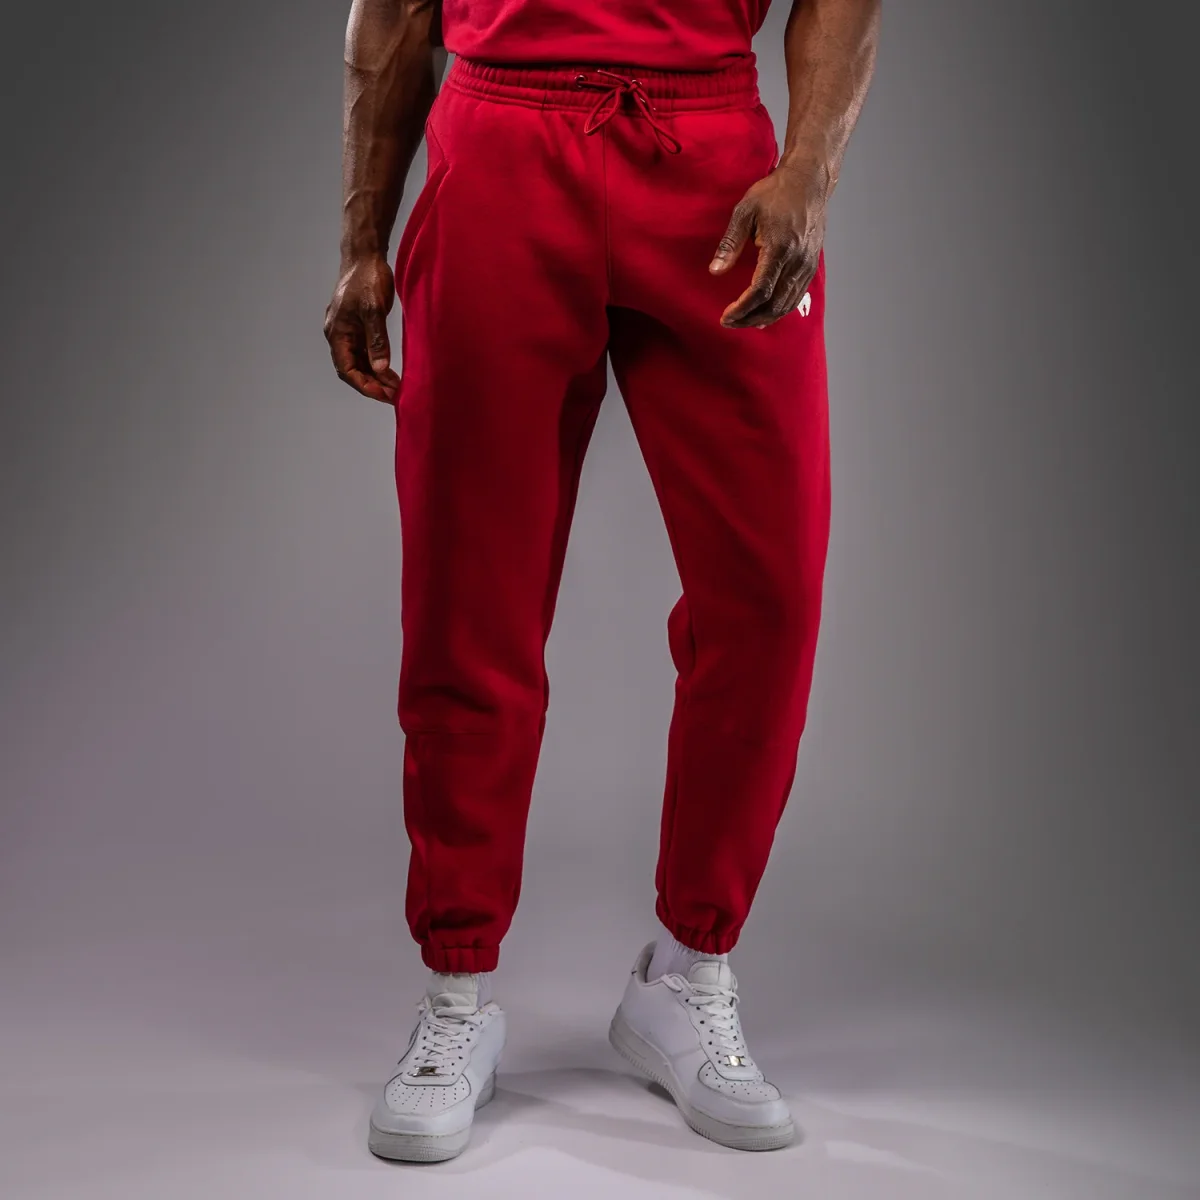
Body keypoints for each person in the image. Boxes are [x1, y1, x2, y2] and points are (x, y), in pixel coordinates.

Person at [324, 0, 880, 1161]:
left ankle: (687, 973)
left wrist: (811, 168)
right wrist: (360, 239)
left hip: (714, 160)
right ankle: (455, 992)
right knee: (468, 597)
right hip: (498, 145)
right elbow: (396, 9)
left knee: (769, 595)